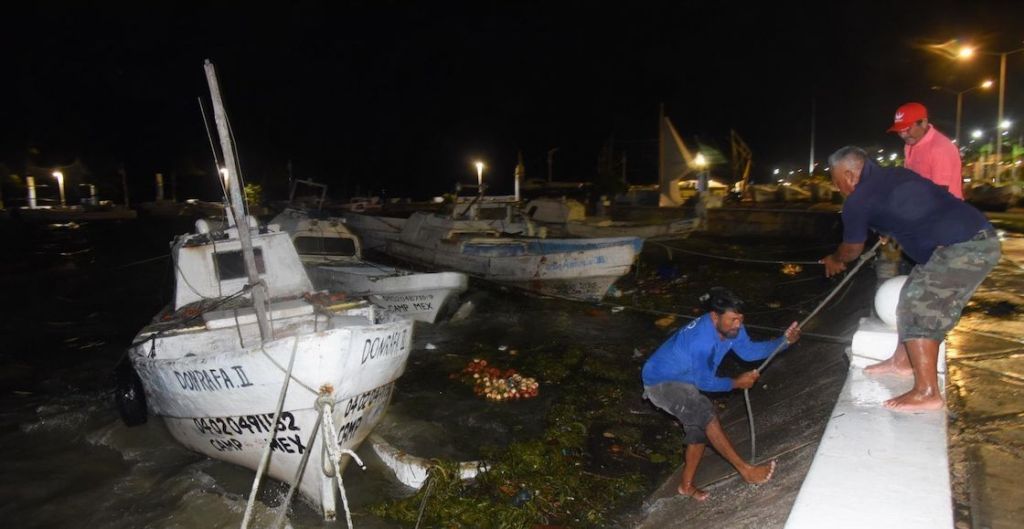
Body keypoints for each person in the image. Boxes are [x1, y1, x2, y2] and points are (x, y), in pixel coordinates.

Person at [821, 146, 1000, 412]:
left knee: (920, 307)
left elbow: (852, 250)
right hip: (966, 240)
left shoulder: (858, 200)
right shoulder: (894, 175)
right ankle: (902, 361)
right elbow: (912, 207)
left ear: (849, 175)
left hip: (964, 247)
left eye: (837, 183)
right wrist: (889, 227)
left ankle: (927, 391)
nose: (839, 190)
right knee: (909, 295)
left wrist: (835, 259)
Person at [641, 287, 800, 501]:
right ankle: (746, 470)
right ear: (714, 316)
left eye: (740, 319)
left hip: (686, 377)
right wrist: (736, 382)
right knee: (704, 414)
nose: (738, 325)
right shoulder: (701, 341)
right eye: (733, 319)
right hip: (661, 381)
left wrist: (784, 342)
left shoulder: (733, 327)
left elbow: (748, 352)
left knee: (699, 424)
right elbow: (704, 382)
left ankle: (686, 486)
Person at [888, 102, 964, 199]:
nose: (903, 135)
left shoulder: (940, 148)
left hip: (944, 210)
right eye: (899, 131)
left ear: (923, 123)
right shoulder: (909, 145)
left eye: (907, 129)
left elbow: (940, 193)